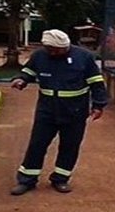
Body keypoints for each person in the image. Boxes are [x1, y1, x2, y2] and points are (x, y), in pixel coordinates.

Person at [10, 29, 108, 195]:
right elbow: (28, 72)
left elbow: (96, 83)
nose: (56, 52)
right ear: (46, 46)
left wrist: (98, 105)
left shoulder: (84, 57)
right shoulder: (39, 56)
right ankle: (27, 180)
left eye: (60, 49)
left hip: (75, 111)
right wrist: (21, 80)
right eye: (52, 49)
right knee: (37, 144)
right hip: (47, 109)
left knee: (70, 145)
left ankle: (60, 179)